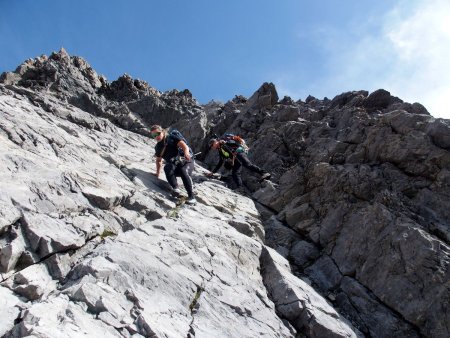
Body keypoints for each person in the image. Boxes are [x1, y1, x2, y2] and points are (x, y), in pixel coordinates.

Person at [150, 125, 196, 205]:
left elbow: (184, 146)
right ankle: (176, 189)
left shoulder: (171, 138)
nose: (156, 136)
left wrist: (186, 153)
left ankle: (192, 197)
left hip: (186, 161)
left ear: (162, 132)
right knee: (167, 167)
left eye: (157, 134)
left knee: (183, 170)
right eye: (154, 135)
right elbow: (158, 161)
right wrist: (157, 173)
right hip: (174, 165)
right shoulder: (158, 147)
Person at [206, 136, 271, 191]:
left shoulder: (224, 142)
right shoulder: (220, 150)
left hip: (239, 154)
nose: (212, 148)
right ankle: (241, 188)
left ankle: (264, 173)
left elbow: (235, 144)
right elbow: (221, 162)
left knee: (248, 165)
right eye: (211, 147)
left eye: (211, 146)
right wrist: (213, 172)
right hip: (235, 159)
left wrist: (226, 143)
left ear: (215, 142)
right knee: (235, 173)